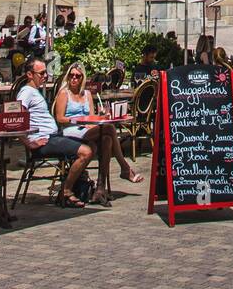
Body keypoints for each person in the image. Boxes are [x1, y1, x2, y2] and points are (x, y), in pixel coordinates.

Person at [53, 62, 143, 207]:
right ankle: (125, 168)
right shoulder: (64, 93)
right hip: (71, 129)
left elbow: (92, 116)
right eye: (71, 75)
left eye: (77, 76)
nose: (74, 79)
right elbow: (60, 118)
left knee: (107, 138)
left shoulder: (87, 94)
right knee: (110, 129)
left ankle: (100, 188)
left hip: (86, 129)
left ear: (82, 78)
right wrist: (77, 120)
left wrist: (100, 115)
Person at [16, 56, 94, 208]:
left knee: (94, 142)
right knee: (86, 152)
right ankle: (66, 190)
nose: (45, 76)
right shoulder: (26, 92)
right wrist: (28, 143)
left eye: (46, 73)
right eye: (42, 73)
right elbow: (16, 118)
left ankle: (89, 187)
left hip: (52, 137)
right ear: (30, 74)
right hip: (45, 140)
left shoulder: (34, 91)